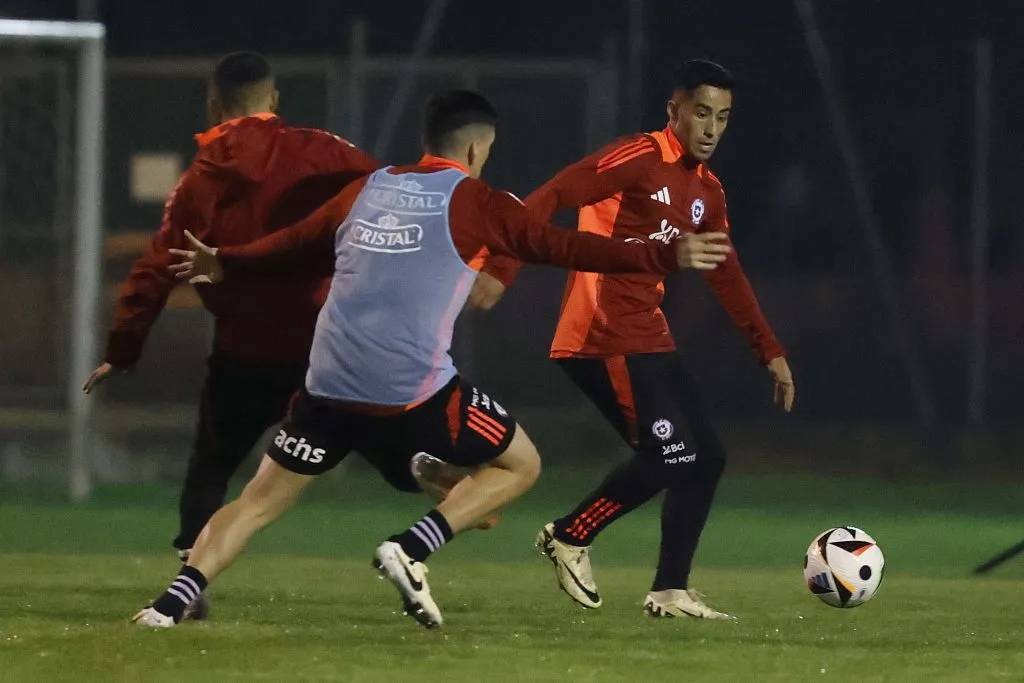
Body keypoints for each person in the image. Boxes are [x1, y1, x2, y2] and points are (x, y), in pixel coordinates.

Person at [131, 90, 733, 630]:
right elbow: (564, 245)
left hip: (326, 389)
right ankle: (412, 547)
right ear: (476, 148)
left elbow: (290, 245)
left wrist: (224, 260)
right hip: (412, 395)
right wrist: (663, 258)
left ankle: (168, 605)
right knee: (520, 465)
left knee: (257, 501)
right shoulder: (477, 202)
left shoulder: (365, 189)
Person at [471, 60, 795, 619]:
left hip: (648, 334)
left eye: (723, 117)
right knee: (673, 453)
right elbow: (552, 193)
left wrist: (769, 350)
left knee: (706, 457)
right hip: (598, 332)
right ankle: (571, 535)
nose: (712, 128)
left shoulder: (707, 191)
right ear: (674, 112)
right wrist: (502, 268)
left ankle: (670, 589)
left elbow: (727, 271)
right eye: (701, 113)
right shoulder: (639, 157)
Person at [83, 52, 379, 618]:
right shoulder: (329, 152)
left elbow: (154, 267)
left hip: (242, 352)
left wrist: (124, 349)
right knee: (374, 437)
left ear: (214, 104)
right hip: (321, 348)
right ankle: (431, 477)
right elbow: (396, 200)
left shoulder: (201, 179)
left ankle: (191, 586)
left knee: (211, 469)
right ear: (273, 101)